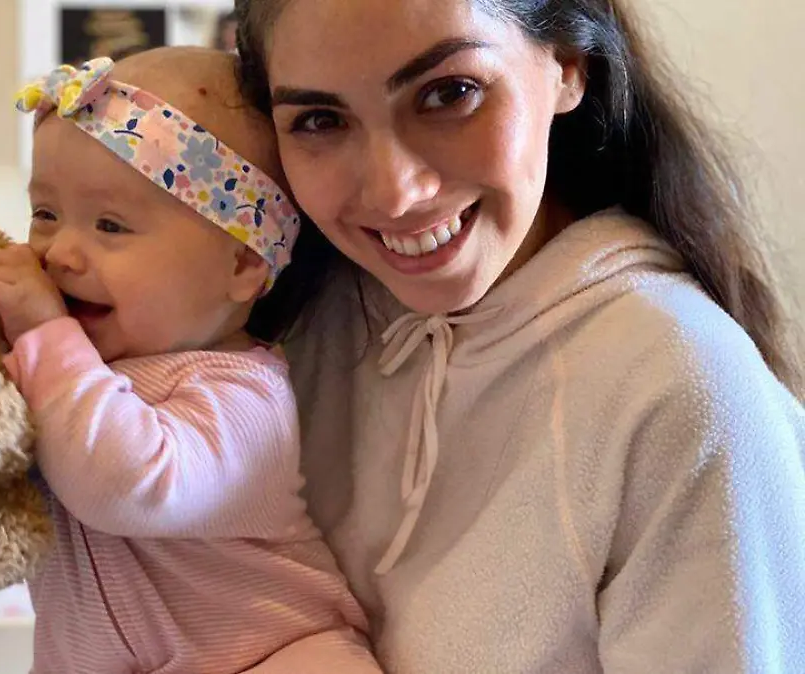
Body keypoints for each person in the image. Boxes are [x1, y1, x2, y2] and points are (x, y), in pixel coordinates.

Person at [230, 0, 805, 671]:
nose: (394, 193)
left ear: (568, 66)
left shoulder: (684, 394)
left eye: (449, 93)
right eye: (321, 120)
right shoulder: (286, 324)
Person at [0, 47, 381, 674]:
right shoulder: (45, 372)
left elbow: (127, 486)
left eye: (111, 226)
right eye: (45, 214)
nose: (60, 253)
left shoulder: (244, 395)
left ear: (242, 264)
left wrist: (45, 332)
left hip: (276, 652)